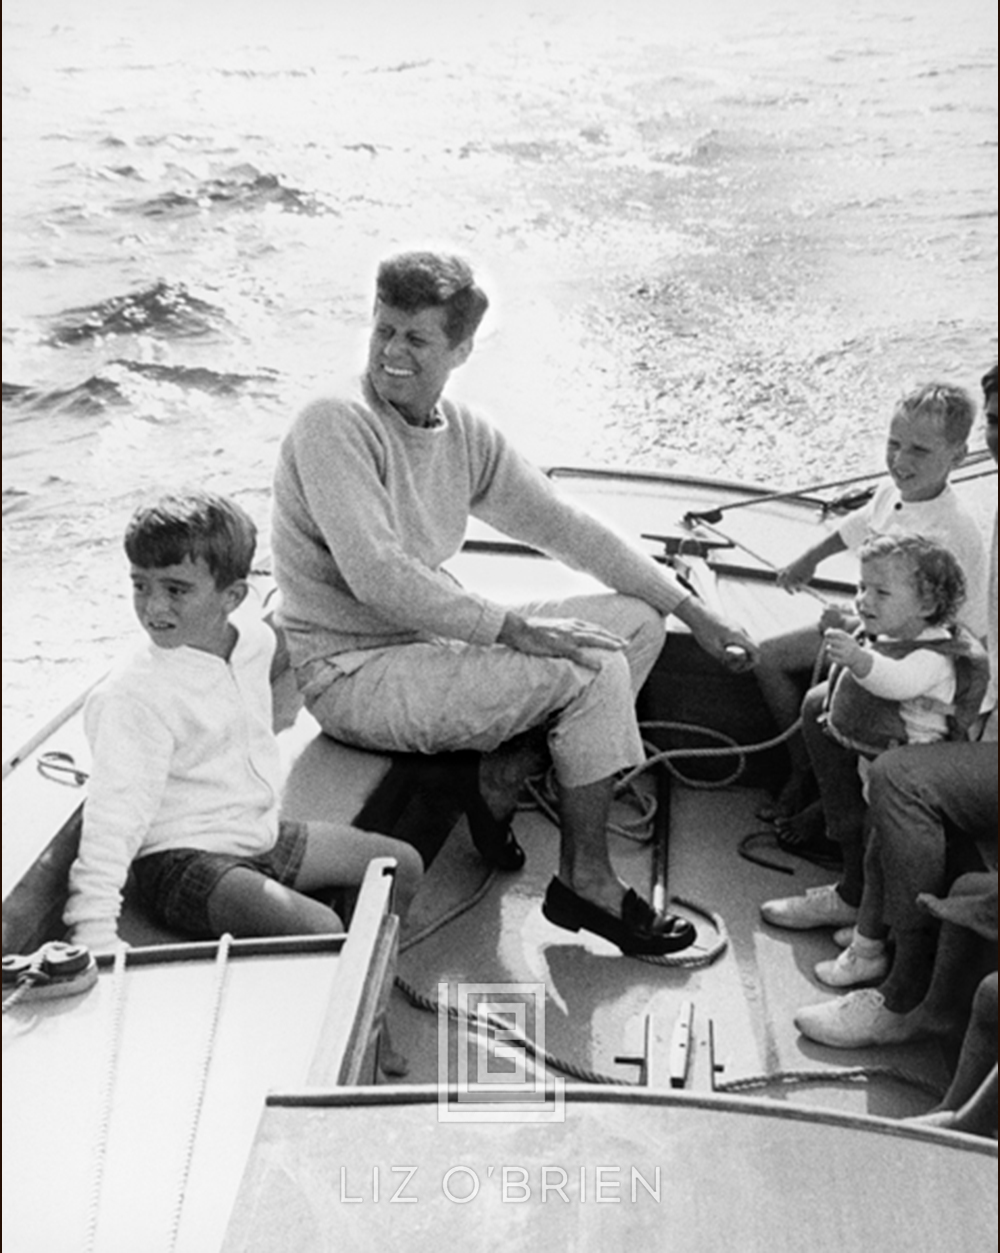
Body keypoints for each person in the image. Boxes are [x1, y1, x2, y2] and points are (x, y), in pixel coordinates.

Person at [270, 250, 757, 957]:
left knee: (638, 625)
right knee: (592, 665)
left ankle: (507, 770)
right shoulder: (335, 422)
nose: (391, 351)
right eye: (383, 329)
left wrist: (694, 611)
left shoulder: (462, 432)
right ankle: (584, 882)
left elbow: (564, 525)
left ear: (462, 348)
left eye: (416, 337)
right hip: (351, 671)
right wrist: (512, 628)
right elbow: (378, 574)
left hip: (426, 648)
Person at [63, 491, 424, 955]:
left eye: (175, 589)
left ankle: (367, 970)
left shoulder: (253, 643)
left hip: (257, 835)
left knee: (403, 864)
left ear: (232, 596)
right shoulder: (132, 694)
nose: (153, 607)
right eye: (140, 585)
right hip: (179, 861)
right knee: (320, 926)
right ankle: (339, 972)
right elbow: (112, 819)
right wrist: (92, 934)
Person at [790, 363, 998, 1048]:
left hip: (967, 708)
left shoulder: (966, 525)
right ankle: (854, 889)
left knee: (899, 775)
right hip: (969, 693)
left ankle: (902, 992)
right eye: (997, 421)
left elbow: (957, 639)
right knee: (824, 707)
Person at [755, 382, 987, 828]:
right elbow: (855, 527)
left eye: (919, 450)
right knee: (767, 659)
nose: (901, 461)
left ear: (957, 457)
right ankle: (802, 775)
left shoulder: (949, 531)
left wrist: (849, 619)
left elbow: (931, 624)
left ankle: (833, 807)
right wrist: (807, 561)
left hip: (929, 661)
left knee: (827, 705)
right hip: (881, 629)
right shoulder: (890, 491)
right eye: (894, 444)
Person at [760, 533, 989, 940]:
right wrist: (850, 626)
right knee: (872, 850)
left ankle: (874, 934)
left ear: (928, 607)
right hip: (877, 762)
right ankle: (866, 916)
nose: (864, 599)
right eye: (861, 587)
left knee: (882, 853)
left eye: (880, 592)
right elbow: (881, 647)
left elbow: (898, 681)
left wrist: (857, 658)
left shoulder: (932, 657)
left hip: (910, 771)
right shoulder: (903, 631)